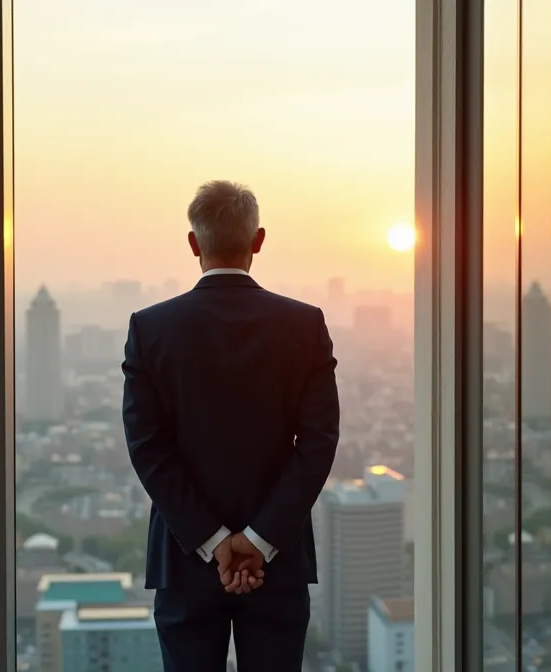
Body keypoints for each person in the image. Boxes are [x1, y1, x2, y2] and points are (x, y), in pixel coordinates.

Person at [121, 180, 340, 671]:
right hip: (277, 561)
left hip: (184, 559)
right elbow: (318, 442)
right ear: (258, 240)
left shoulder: (150, 328)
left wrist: (214, 540)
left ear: (193, 243)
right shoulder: (304, 324)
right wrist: (258, 540)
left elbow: (148, 448)